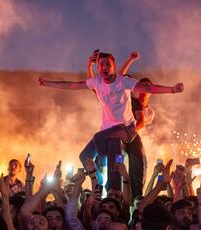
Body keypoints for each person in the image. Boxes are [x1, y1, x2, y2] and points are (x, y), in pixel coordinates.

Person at [39, 51, 183, 191]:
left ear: (114, 67)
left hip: (127, 128)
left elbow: (148, 88)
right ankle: (100, 181)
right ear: (99, 68)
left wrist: (172, 89)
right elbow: (72, 85)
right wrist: (47, 83)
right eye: (101, 64)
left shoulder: (123, 81)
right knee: (84, 156)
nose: (104, 67)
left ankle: (113, 184)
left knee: (102, 139)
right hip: (108, 129)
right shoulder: (97, 83)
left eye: (108, 64)